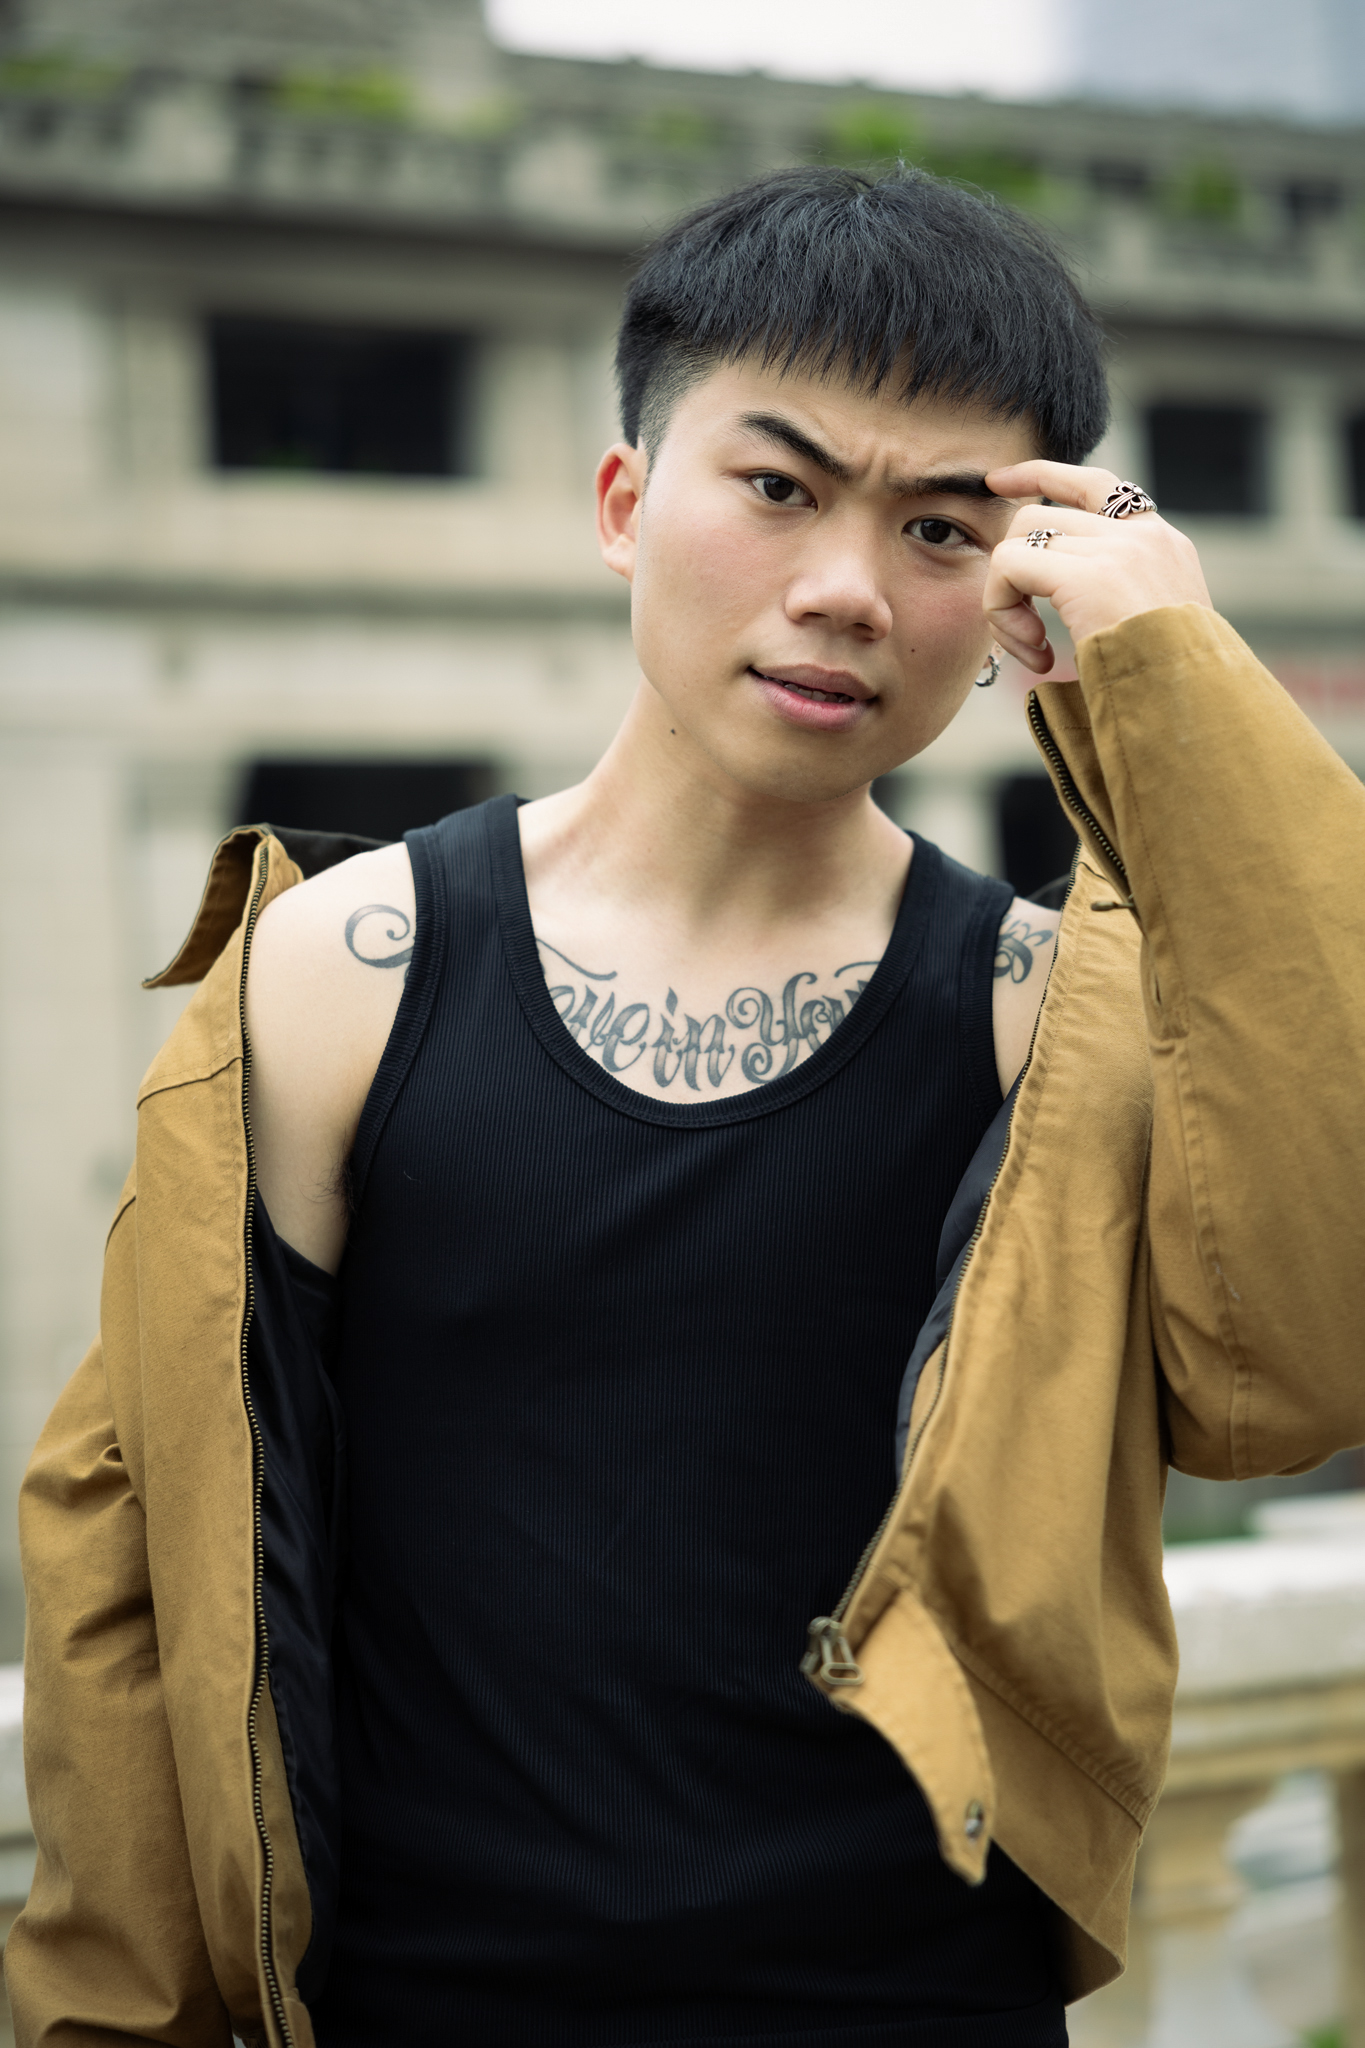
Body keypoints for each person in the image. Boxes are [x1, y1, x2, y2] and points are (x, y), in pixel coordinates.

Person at [7, 165, 1364, 2048]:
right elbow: (131, 1572)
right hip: (431, 2008)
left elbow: (1296, 1372)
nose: (844, 590)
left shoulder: (1042, 1019)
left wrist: (1172, 685)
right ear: (625, 504)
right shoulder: (337, 972)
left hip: (911, 2008)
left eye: (940, 527)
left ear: (1016, 580)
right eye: (779, 487)